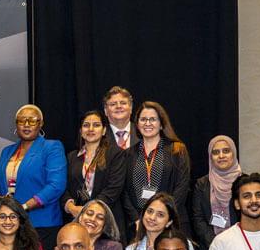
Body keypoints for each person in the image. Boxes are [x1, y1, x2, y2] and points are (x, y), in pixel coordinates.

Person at [0, 104, 67, 250]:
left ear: (41, 124)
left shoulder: (52, 147)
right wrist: (0, 202)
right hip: (10, 225)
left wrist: (24, 207)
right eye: (22, 120)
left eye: (32, 121)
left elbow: (56, 186)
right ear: (16, 124)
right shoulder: (7, 151)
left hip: (41, 224)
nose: (26, 125)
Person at [123, 100, 191, 229]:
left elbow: (182, 187)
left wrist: (164, 216)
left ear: (161, 124)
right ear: (137, 124)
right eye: (143, 119)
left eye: (153, 119)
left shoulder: (177, 150)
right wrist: (137, 219)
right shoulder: (128, 154)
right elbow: (125, 192)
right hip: (139, 225)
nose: (147, 123)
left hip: (171, 223)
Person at [63, 109, 128, 237]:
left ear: (104, 131)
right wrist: (71, 207)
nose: (91, 129)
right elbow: (64, 187)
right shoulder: (71, 157)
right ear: (81, 131)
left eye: (96, 125)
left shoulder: (116, 154)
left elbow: (114, 188)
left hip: (106, 219)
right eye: (86, 125)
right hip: (77, 221)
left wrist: (88, 211)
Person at [189, 135, 241, 250]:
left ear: (233, 153)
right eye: (216, 152)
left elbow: (248, 217)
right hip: (209, 249)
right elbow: (198, 218)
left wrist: (233, 243)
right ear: (210, 157)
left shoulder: (244, 183)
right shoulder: (202, 184)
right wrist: (215, 242)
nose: (221, 156)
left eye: (226, 151)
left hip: (239, 247)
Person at [102, 86, 138, 151]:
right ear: (106, 111)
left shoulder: (141, 132)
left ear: (130, 108)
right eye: (113, 104)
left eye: (123, 103)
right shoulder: (100, 136)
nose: (118, 106)